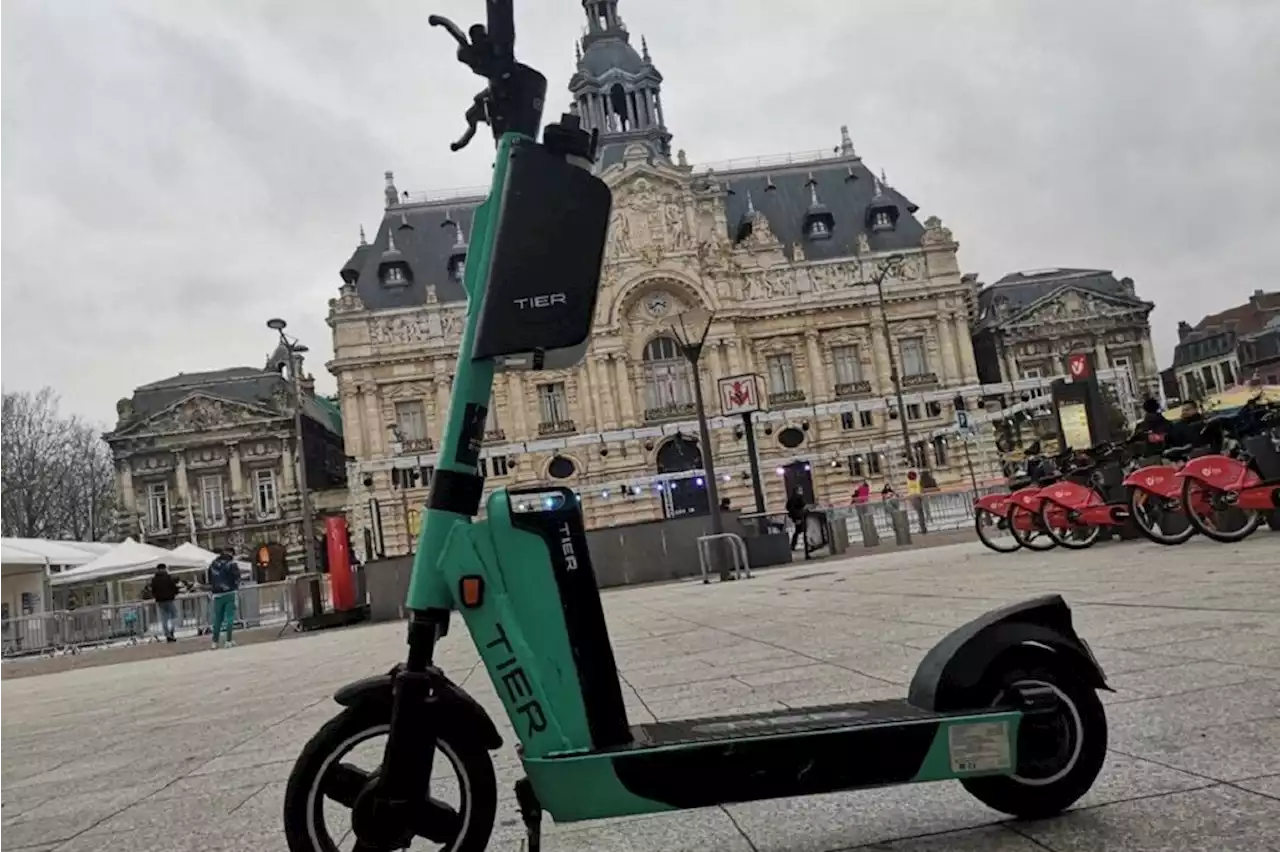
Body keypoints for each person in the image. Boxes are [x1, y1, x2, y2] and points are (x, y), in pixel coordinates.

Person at [207, 548, 241, 649]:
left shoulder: (213, 565)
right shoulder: (231, 564)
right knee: (229, 618)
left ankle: (215, 642)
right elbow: (237, 578)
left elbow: (209, 580)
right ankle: (228, 640)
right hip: (230, 592)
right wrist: (235, 586)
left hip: (217, 594)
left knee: (218, 619)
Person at [151, 563, 180, 643]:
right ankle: (172, 631)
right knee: (174, 615)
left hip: (160, 601)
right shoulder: (168, 578)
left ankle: (167, 634)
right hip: (169, 599)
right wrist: (175, 593)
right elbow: (174, 587)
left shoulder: (154, 579)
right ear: (164, 569)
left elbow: (153, 590)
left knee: (164, 618)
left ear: (157, 569)